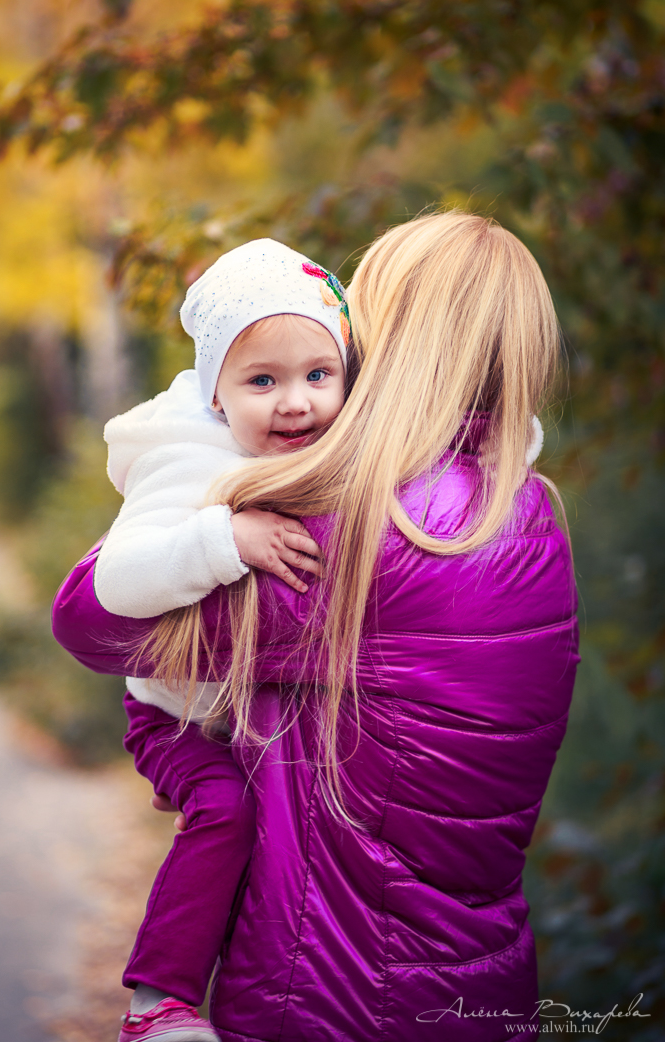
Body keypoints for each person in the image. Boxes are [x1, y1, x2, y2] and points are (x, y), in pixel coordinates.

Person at [52, 212, 579, 1042]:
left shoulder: (376, 531)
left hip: (339, 993)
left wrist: (190, 466)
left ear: (387, 342)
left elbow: (89, 618)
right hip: (476, 978)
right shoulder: (529, 510)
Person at [93, 239, 350, 1041]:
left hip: (247, 709)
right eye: (261, 382)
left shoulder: (334, 445)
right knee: (226, 810)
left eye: (318, 375)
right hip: (173, 716)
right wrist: (223, 539)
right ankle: (155, 1002)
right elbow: (116, 585)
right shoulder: (188, 461)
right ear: (215, 397)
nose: (296, 403)